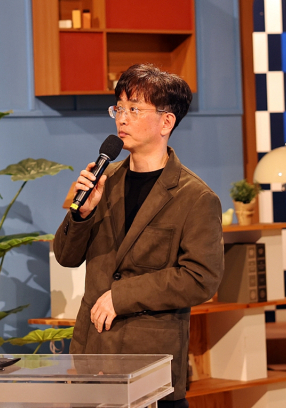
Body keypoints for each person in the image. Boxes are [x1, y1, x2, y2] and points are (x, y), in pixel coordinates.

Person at [53, 64, 224, 407]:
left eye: (134, 109)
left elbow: (200, 278)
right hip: (92, 354)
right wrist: (82, 214)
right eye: (119, 108)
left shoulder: (196, 197)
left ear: (166, 122)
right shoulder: (104, 180)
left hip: (150, 360)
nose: (122, 118)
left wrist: (122, 296)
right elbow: (66, 256)